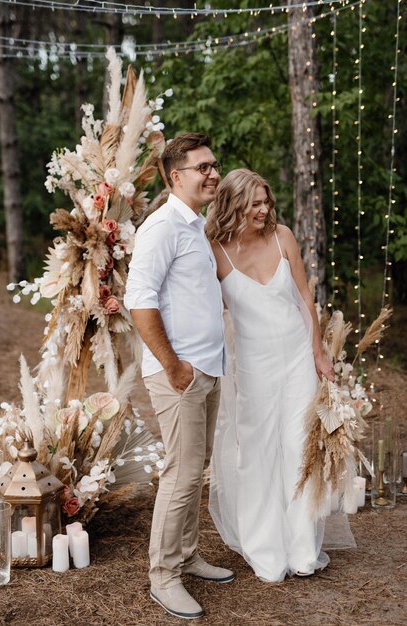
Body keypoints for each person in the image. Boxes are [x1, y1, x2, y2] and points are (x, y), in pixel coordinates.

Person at [124, 133, 234, 620]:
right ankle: (163, 576)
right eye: (202, 167)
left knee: (195, 468)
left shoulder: (196, 227)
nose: (213, 173)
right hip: (179, 374)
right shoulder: (162, 227)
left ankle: (187, 555)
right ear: (175, 176)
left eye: (214, 165)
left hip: (207, 366)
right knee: (182, 473)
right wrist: (173, 366)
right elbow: (139, 301)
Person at [206, 168, 334, 582]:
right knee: (257, 454)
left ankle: (300, 548)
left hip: (297, 356)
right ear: (233, 205)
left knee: (298, 448)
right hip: (254, 366)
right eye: (254, 203)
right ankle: (265, 549)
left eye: (265, 201)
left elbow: (303, 298)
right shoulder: (215, 251)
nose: (263, 210)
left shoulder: (283, 237)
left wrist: (318, 353)